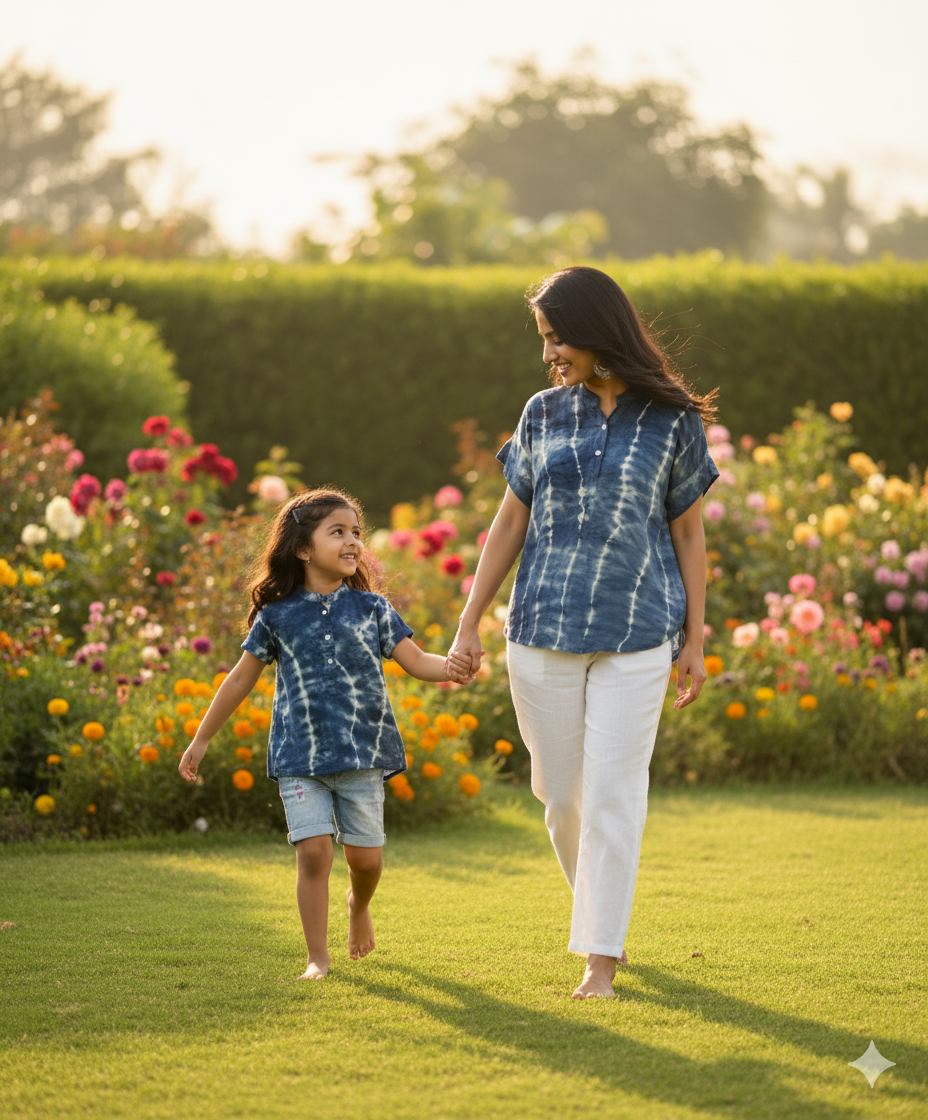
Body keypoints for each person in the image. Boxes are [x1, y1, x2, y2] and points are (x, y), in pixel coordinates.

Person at [447, 266, 719, 1000]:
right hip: (539, 631)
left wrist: (695, 638)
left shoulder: (671, 420)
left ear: (599, 333)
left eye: (557, 338)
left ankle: (601, 955)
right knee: (561, 796)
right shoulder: (543, 413)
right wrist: (470, 622)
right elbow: (509, 522)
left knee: (611, 794)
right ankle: (600, 915)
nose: (548, 355)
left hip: (638, 634)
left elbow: (688, 534)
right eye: (543, 340)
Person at [179, 488, 473, 980]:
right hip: (300, 756)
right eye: (338, 531)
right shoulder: (277, 616)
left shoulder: (373, 609)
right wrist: (201, 738)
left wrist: (454, 668)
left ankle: (359, 906)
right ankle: (317, 957)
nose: (352, 541)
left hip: (362, 753)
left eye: (356, 531)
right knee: (314, 854)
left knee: (366, 861)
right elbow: (240, 679)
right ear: (302, 548)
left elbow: (418, 661)